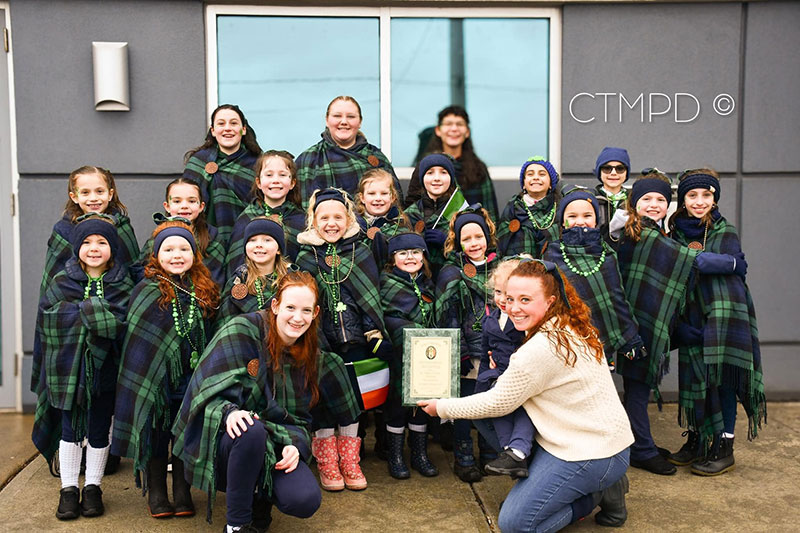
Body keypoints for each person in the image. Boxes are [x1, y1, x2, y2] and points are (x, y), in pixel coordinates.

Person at [420, 260, 634, 531]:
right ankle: (601, 483)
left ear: (550, 300)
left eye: (525, 299)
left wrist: (442, 407)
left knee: (516, 525)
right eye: (509, 298)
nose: (514, 308)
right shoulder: (569, 323)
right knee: (491, 421)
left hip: (590, 452)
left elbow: (497, 402)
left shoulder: (541, 347)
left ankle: (593, 495)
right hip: (594, 439)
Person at [173, 272, 359, 532]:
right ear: (275, 306)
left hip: (278, 441)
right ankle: (237, 525)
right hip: (228, 439)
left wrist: (297, 446)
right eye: (290, 307)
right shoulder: (242, 330)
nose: (297, 317)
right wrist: (228, 412)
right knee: (250, 430)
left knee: (304, 500)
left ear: (315, 313)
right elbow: (204, 390)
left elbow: (302, 421)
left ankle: (261, 503)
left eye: (306, 310)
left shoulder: (311, 356)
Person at [111, 221, 219, 519]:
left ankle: (183, 491)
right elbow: (137, 343)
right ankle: (157, 491)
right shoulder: (145, 291)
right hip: (157, 384)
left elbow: (212, 334)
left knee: (184, 434)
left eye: (184, 248)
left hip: (191, 378)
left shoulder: (204, 289)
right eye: (168, 249)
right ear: (156, 255)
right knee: (157, 436)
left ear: (194, 254)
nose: (176, 254)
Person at [31, 216, 133, 520]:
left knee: (100, 429)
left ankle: (92, 487)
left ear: (113, 249)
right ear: (77, 248)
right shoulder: (63, 280)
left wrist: (87, 312)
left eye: (102, 242)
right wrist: (92, 311)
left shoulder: (123, 282)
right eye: (87, 242)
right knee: (70, 430)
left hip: (105, 372)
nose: (94, 248)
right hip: (67, 373)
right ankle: (68, 489)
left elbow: (123, 321)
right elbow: (51, 318)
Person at [668, 169, 766, 475]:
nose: (700, 202)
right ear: (682, 199)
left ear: (714, 198)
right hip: (693, 318)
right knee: (695, 378)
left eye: (706, 195)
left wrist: (694, 260)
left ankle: (725, 448)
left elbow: (738, 267)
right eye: (692, 195)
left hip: (725, 320)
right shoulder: (675, 234)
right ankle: (698, 439)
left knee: (724, 382)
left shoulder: (725, 229)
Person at [294, 188, 391, 491]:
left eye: (338, 217)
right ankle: (327, 462)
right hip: (321, 342)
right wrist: (316, 340)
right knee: (323, 400)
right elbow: (304, 302)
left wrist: (373, 332)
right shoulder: (306, 256)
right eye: (325, 218)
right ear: (313, 220)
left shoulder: (359, 251)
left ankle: (349, 460)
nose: (332, 223)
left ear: (349, 218)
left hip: (356, 341)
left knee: (354, 399)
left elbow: (369, 297)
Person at [616, 171, 698, 476]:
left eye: (661, 199)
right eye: (646, 199)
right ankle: (642, 451)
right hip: (635, 326)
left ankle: (641, 442)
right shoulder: (640, 235)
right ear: (634, 203)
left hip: (645, 323)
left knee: (640, 388)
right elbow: (687, 260)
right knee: (637, 389)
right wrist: (729, 263)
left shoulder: (657, 233)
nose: (654, 204)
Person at [542, 188, 644, 372]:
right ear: (562, 222)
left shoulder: (607, 254)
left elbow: (616, 298)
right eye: (572, 216)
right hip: (569, 341)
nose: (580, 221)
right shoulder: (553, 255)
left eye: (587, 215)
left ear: (597, 220)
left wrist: (630, 335)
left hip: (604, 342)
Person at [435, 206, 499, 482]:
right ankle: (463, 457)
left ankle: (489, 453)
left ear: (487, 237)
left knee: (490, 405)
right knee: (464, 406)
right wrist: (455, 352)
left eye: (478, 237)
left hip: (495, 351)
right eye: (467, 239)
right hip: (467, 354)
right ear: (458, 242)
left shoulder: (502, 269)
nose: (474, 244)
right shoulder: (452, 272)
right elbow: (445, 316)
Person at [379, 232, 439, 479]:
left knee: (422, 403)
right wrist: (407, 331)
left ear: (423, 255)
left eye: (415, 252)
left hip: (426, 358)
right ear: (393, 259)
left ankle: (419, 453)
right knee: (398, 404)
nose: (410, 257)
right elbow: (384, 316)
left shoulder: (428, 283)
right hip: (399, 353)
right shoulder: (387, 282)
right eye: (403, 253)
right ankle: (395, 455)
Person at [295, 96, 402, 209]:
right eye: (337, 116)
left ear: (360, 122)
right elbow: (296, 211)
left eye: (351, 117)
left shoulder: (376, 158)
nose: (344, 122)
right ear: (327, 120)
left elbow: (396, 207)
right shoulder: (308, 159)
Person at [476, 257, 528, 479]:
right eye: (497, 293)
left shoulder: (524, 320)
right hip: (496, 378)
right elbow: (484, 350)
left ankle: (520, 450)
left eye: (508, 295)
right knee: (497, 415)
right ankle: (509, 453)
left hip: (520, 378)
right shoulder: (491, 320)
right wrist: (483, 378)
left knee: (525, 413)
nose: (502, 300)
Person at [183, 103, 262, 245]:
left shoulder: (258, 164)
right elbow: (184, 201)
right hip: (204, 239)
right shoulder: (198, 161)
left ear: (243, 129)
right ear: (213, 131)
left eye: (233, 123)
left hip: (246, 238)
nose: (227, 128)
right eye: (221, 123)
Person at [404, 105, 498, 221]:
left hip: (470, 235)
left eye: (459, 124)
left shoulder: (479, 168)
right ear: (438, 130)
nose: (454, 129)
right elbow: (410, 207)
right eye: (448, 124)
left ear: (467, 132)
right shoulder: (424, 165)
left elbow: (490, 214)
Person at [134, 177, 227, 287]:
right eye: (177, 201)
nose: (184, 206)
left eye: (191, 201)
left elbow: (216, 279)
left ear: (201, 206)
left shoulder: (212, 236)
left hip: (202, 297)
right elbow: (140, 270)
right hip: (163, 295)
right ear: (167, 206)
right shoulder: (157, 237)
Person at [226, 150, 306, 276]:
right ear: (258, 182)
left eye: (282, 175)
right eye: (269, 175)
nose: (276, 180)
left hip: (292, 289)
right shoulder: (247, 218)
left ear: (292, 183)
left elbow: (307, 262)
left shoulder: (302, 220)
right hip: (254, 289)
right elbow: (236, 262)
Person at [217, 217, 293, 326]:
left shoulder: (291, 279)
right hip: (246, 338)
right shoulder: (239, 279)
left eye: (267, 240)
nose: (259, 245)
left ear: (279, 249)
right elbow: (225, 322)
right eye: (252, 240)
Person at [404, 153, 460, 276]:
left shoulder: (462, 212)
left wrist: (448, 243)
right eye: (430, 173)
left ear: (451, 177)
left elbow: (476, 252)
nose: (437, 178)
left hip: (452, 280)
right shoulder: (409, 215)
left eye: (443, 172)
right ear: (422, 178)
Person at [496, 157, 561, 258]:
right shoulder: (513, 207)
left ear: (551, 184)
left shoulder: (559, 207)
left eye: (542, 174)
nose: (535, 178)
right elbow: (501, 242)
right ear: (524, 184)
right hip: (518, 268)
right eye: (530, 174)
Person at [355, 168, 411, 269]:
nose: (378, 198)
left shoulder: (400, 224)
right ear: (362, 198)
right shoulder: (354, 225)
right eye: (371, 193)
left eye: (384, 193)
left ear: (392, 197)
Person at [593, 147, 631, 247]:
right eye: (607, 168)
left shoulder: (635, 199)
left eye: (620, 168)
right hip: (599, 255)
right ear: (599, 172)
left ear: (626, 172)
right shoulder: (591, 198)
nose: (613, 173)